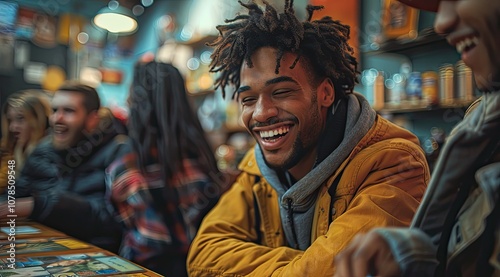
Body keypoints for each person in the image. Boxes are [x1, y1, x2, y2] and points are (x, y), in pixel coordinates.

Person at [186, 1, 430, 276]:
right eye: (248, 99)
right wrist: (306, 262)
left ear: (325, 93)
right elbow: (202, 255)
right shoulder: (256, 172)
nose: (262, 113)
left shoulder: (393, 162)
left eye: (281, 92)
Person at [334, 0, 500, 276]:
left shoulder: (388, 157)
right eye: (247, 98)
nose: (441, 22)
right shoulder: (481, 126)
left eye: (283, 92)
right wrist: (410, 256)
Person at [106, 61, 225, 277]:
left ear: (137, 101)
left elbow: (121, 221)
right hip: (201, 266)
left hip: (141, 268)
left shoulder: (124, 168)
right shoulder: (202, 158)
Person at [0, 81, 131, 253]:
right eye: (55, 110)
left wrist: (40, 205)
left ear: (93, 119)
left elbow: (111, 221)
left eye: (68, 111)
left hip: (94, 256)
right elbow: (15, 194)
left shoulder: (117, 151)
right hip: (43, 249)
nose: (57, 119)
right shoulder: (44, 149)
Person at [0, 90, 51, 193]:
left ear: (39, 120)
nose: (12, 127)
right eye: (10, 120)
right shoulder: (10, 151)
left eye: (20, 119)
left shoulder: (50, 157)